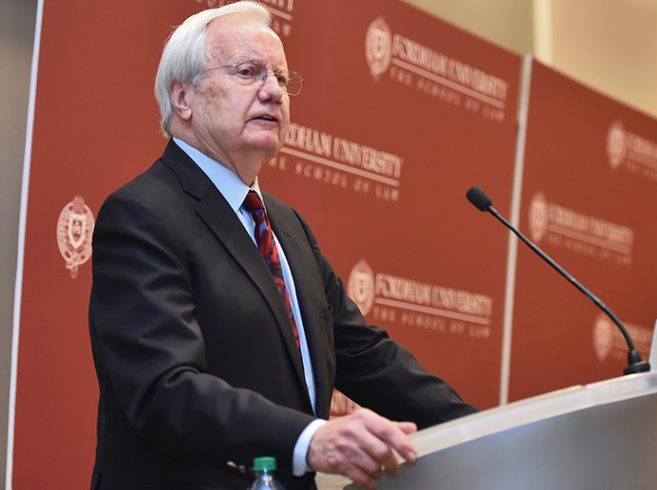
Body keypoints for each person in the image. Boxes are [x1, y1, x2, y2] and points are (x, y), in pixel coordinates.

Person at [87, 3, 475, 489]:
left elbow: (365, 356)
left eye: (281, 78)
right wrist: (310, 441)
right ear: (182, 98)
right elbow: (165, 391)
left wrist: (482, 429)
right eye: (248, 72)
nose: (273, 91)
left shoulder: (284, 224)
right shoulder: (142, 214)